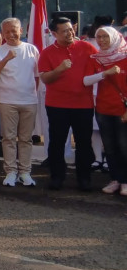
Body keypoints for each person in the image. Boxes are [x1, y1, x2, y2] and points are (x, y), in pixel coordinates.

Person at [38, 16, 97, 191]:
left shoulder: (87, 47)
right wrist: (60, 69)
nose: (70, 33)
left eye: (71, 29)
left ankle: (84, 179)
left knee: (84, 143)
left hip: (83, 104)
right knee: (57, 142)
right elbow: (45, 78)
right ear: (54, 33)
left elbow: (99, 68)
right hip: (57, 105)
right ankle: (57, 177)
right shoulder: (47, 52)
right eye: (64, 31)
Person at [0, 18, 40, 187]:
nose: (11, 34)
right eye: (7, 32)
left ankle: (25, 172)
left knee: (26, 139)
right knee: (9, 138)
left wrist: (32, 93)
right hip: (7, 101)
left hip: (29, 101)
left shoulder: (31, 49)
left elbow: (38, 76)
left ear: (21, 31)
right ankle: (11, 171)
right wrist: (6, 59)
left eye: (14, 31)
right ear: (3, 34)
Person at [85, 26, 127, 195]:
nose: (101, 40)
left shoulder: (125, 57)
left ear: (114, 38)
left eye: (105, 37)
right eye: (99, 37)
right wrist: (105, 73)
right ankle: (115, 179)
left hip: (122, 110)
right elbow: (86, 81)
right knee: (109, 147)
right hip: (103, 109)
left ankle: (125, 180)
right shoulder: (97, 59)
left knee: (124, 146)